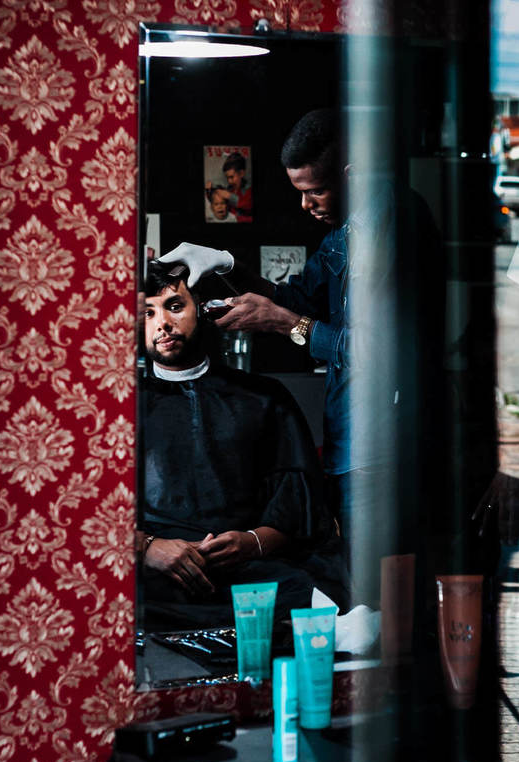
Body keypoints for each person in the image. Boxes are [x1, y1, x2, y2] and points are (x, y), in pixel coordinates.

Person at [153, 109, 424, 581]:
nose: (306, 206)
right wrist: (225, 264)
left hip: (388, 449)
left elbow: (385, 354)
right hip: (351, 442)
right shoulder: (346, 233)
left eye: (315, 191)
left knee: (387, 590)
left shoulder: (396, 227)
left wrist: (285, 325)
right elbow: (295, 297)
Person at [138, 259, 347, 629]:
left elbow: (302, 513)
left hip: (251, 573)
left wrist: (251, 542)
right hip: (154, 580)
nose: (162, 325)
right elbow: (82, 518)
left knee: (329, 603)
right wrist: (148, 548)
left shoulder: (263, 398)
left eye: (174, 306)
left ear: (203, 310)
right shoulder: (117, 408)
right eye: (148, 312)